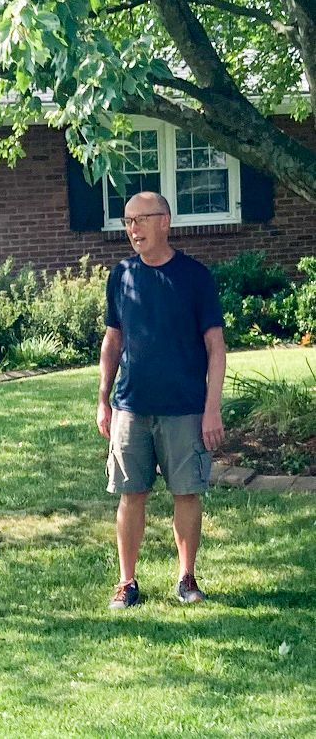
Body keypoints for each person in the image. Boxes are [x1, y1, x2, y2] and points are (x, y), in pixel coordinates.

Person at [97, 192, 226, 607]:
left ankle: (186, 578)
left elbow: (216, 347)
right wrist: (103, 399)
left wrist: (211, 408)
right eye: (127, 221)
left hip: (184, 407)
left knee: (186, 493)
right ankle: (127, 582)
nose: (133, 229)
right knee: (130, 494)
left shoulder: (195, 277)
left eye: (141, 219)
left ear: (165, 222)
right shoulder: (121, 275)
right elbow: (113, 340)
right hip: (131, 405)